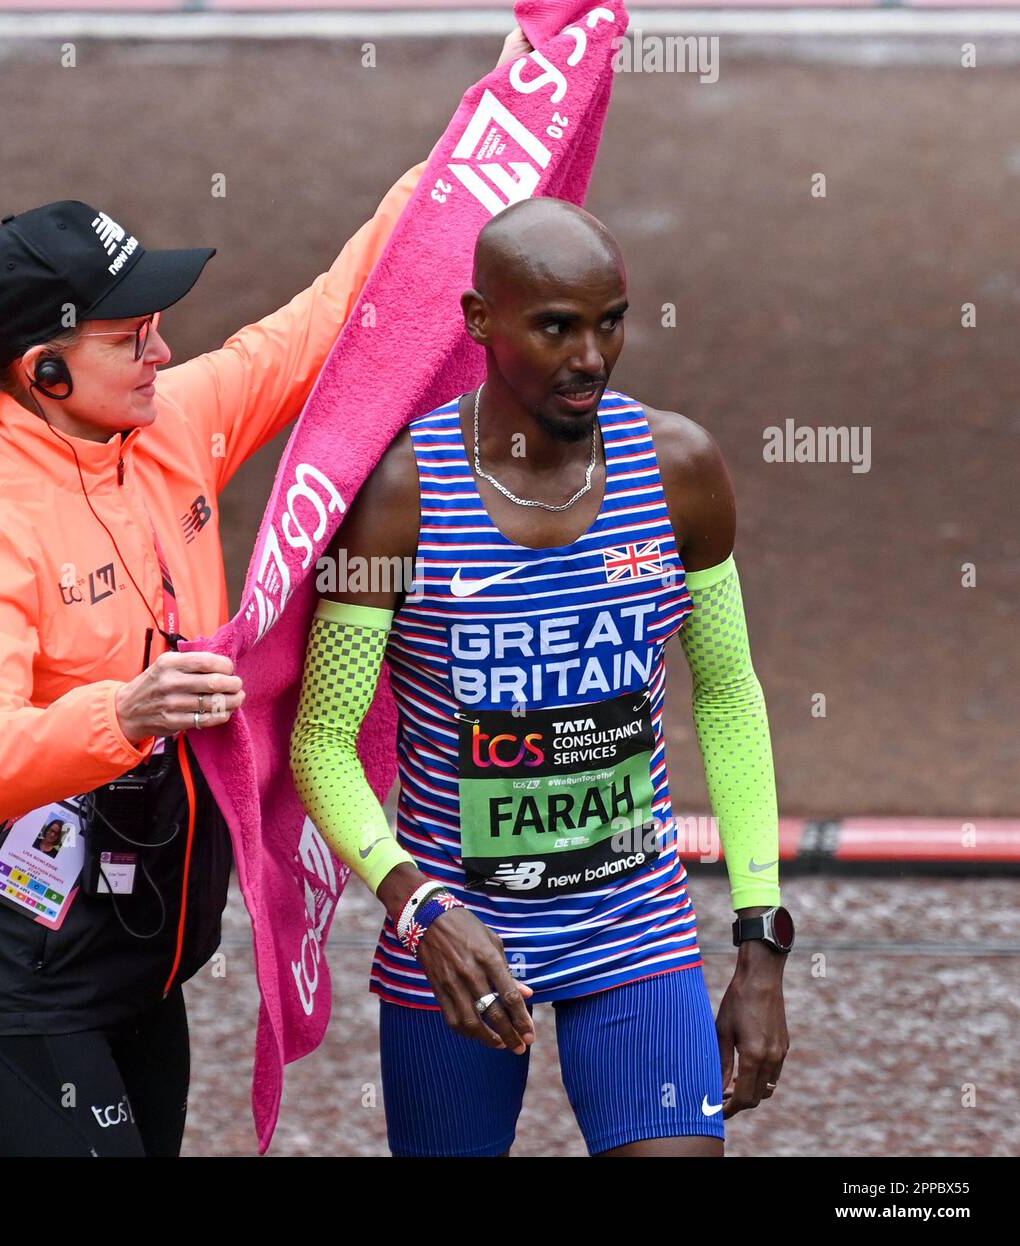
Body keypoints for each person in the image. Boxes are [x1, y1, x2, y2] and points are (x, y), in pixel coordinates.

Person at [0, 27, 535, 1159]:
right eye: (132, 334)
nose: (162, 349)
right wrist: (124, 712)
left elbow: (336, 311)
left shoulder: (171, 421)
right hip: (20, 988)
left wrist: (494, 118)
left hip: (147, 963)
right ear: (46, 370)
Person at [291, 197, 793, 1157]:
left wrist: (760, 938)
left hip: (637, 923)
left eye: (611, 323)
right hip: (460, 939)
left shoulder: (679, 469)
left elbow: (729, 694)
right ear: (481, 320)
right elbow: (321, 740)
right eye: (557, 327)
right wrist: (418, 908)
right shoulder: (401, 498)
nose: (592, 356)